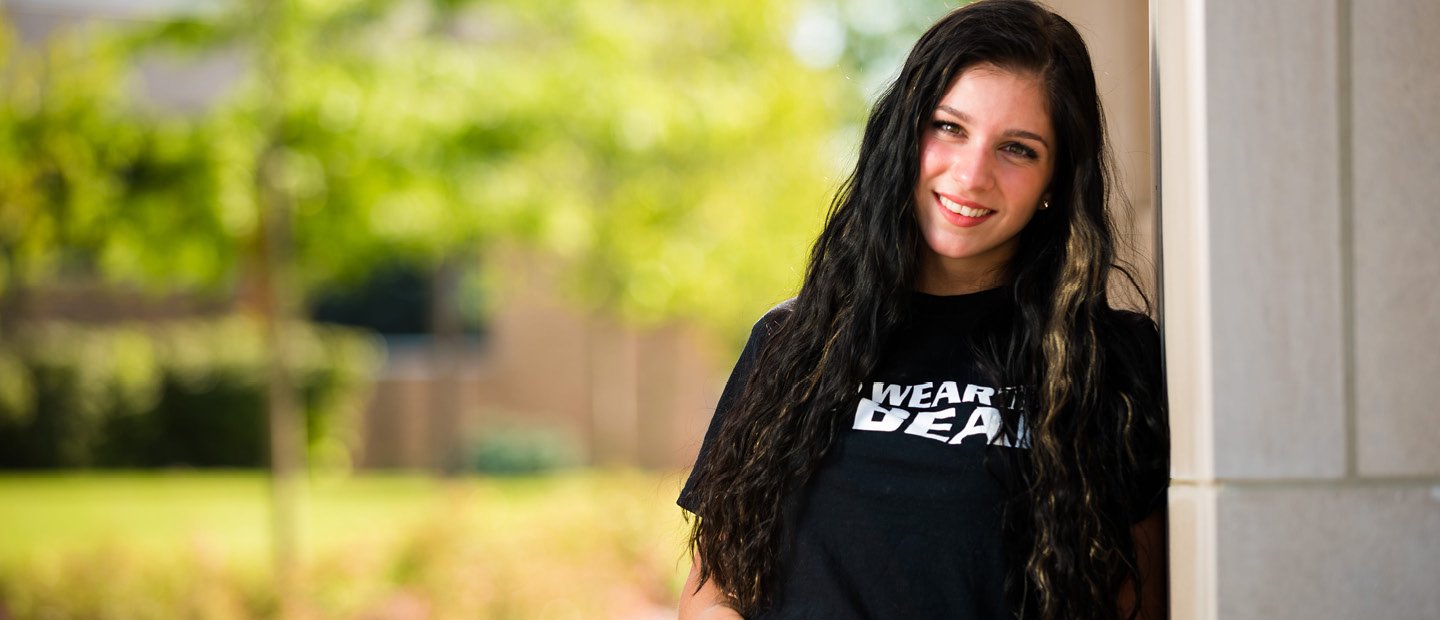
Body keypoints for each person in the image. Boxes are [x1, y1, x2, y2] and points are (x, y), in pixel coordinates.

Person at [676, 0, 1169, 619]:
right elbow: (713, 589)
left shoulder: (1111, 363)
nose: (971, 173)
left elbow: (1139, 603)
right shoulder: (793, 343)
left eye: (1017, 148)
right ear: (904, 135)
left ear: (1055, 183)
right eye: (949, 127)